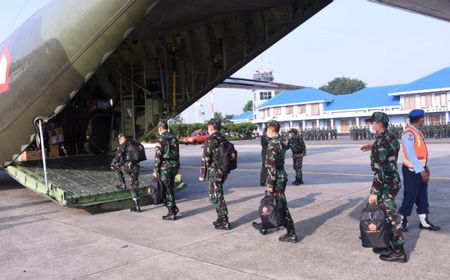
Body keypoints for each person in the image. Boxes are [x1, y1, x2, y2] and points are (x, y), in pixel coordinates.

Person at [360, 112, 407, 263]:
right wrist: (372, 147)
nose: (372, 125)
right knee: (384, 214)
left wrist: (374, 192)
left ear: (379, 124)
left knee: (391, 216)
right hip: (392, 181)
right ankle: (384, 242)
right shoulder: (391, 137)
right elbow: (388, 152)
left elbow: (383, 169)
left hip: (385, 184)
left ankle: (399, 251)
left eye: (373, 123)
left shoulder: (381, 143)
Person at [252, 120, 298, 243]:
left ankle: (291, 232)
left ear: (271, 130)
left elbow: (271, 166)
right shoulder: (280, 142)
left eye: (267, 129)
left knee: (280, 205)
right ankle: (264, 225)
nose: (266, 131)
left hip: (276, 179)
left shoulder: (273, 144)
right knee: (273, 203)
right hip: (280, 176)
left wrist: (270, 184)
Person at [398, 109, 440, 232]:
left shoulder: (418, 132)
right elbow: (411, 154)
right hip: (411, 171)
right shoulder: (409, 134)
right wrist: (421, 171)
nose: (424, 120)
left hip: (420, 168)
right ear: (420, 119)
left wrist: (425, 167)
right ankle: (403, 222)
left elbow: (420, 153)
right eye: (423, 118)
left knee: (422, 196)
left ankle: (424, 221)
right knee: (410, 196)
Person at [199, 119, 231, 230]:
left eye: (208, 128)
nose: (208, 130)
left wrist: (202, 174)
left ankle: (224, 220)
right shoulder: (223, 138)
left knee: (217, 195)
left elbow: (206, 158)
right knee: (217, 193)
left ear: (211, 128)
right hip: (223, 171)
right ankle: (220, 217)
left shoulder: (210, 140)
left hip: (215, 171)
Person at [153, 121, 180, 220]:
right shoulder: (173, 137)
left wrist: (155, 170)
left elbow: (158, 156)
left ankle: (171, 212)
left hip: (165, 167)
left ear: (160, 128)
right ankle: (174, 208)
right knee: (171, 188)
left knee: (166, 190)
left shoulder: (160, 138)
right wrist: (177, 166)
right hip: (173, 165)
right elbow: (177, 153)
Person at [111, 134, 141, 212]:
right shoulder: (134, 143)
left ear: (121, 139)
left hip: (128, 168)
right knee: (134, 185)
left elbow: (118, 157)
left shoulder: (123, 145)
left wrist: (112, 164)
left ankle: (123, 184)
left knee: (116, 167)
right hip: (136, 167)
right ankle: (137, 206)